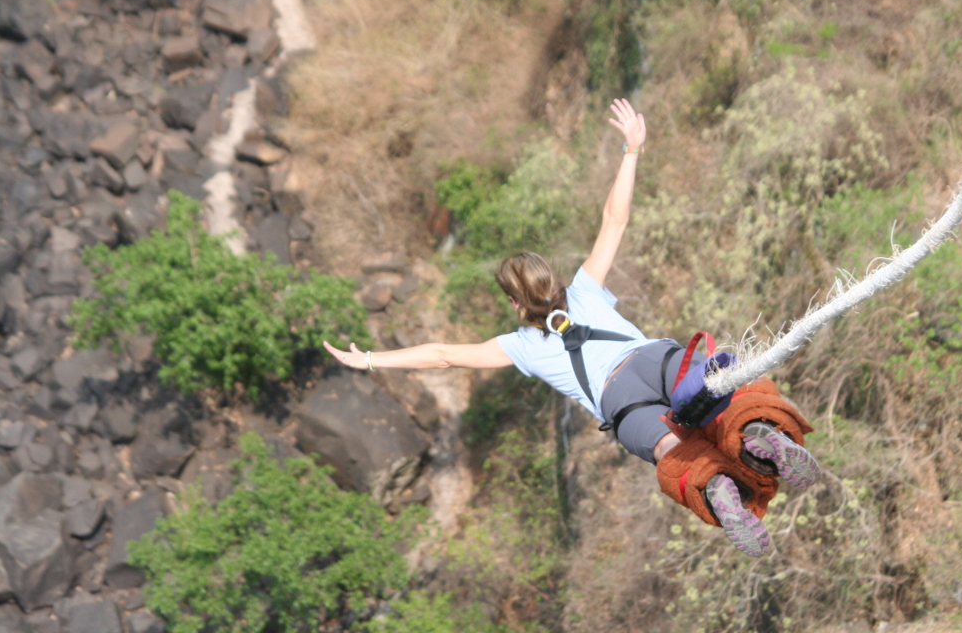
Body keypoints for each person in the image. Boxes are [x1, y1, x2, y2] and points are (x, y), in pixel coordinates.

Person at [324, 99, 820, 556]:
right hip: (653, 362)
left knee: (679, 454)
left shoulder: (520, 346)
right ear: (553, 282)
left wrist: (369, 359)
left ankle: (717, 488)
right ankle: (757, 432)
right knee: (725, 399)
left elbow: (440, 355)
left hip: (621, 406)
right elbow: (614, 218)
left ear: (517, 304)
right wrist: (631, 148)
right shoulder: (584, 289)